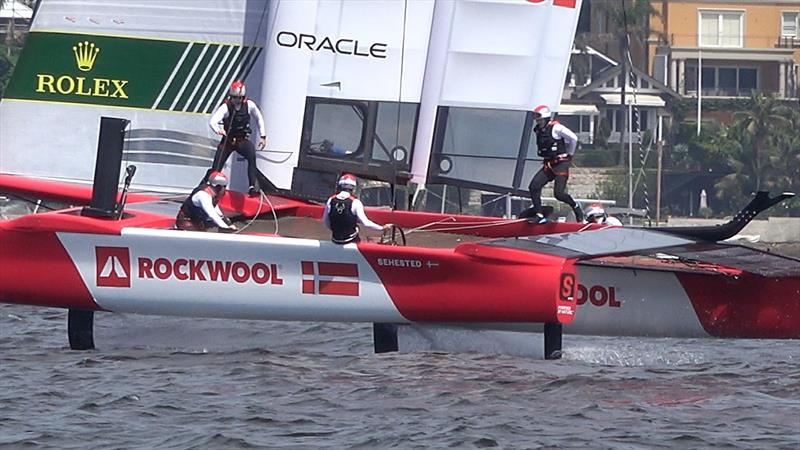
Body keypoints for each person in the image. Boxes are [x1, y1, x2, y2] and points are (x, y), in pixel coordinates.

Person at [209, 80, 267, 197]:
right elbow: (213, 121)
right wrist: (218, 130)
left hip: (242, 141)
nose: (237, 100)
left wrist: (263, 136)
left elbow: (259, 118)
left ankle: (253, 187)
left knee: (251, 158)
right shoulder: (226, 107)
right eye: (235, 98)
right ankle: (207, 186)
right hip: (228, 141)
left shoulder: (250, 105)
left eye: (239, 98)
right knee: (217, 166)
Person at [527, 104, 584, 223]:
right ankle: (539, 215)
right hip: (549, 164)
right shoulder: (539, 130)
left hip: (560, 164)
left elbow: (573, 138)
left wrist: (570, 154)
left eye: (540, 119)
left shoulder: (556, 128)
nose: (538, 121)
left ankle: (576, 207)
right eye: (536, 119)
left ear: (546, 117)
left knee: (558, 194)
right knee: (534, 186)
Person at [323, 173, 389, 244]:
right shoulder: (355, 202)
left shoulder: (330, 200)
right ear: (353, 188)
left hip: (335, 239)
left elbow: (326, 221)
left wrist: (337, 231)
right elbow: (366, 223)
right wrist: (382, 228)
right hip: (351, 240)